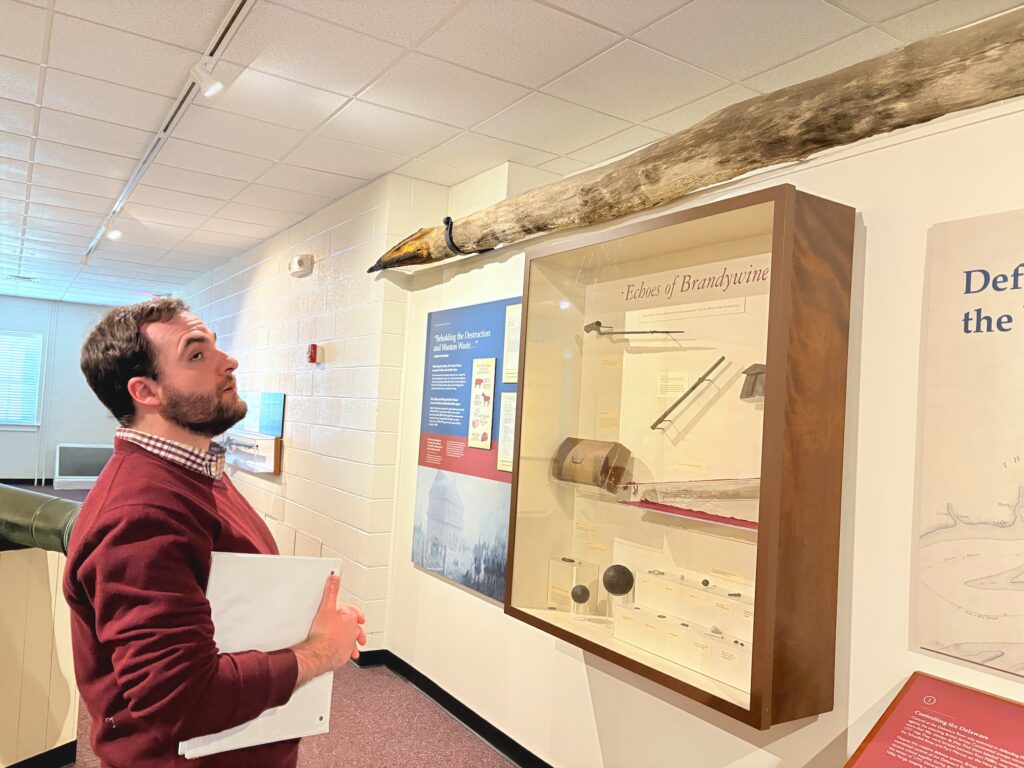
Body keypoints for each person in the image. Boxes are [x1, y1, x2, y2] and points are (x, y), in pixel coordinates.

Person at [64, 297, 365, 767]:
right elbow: (183, 698)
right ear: (146, 391)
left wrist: (305, 615)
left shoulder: (196, 474)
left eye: (215, 346)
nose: (229, 361)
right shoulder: (140, 514)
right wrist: (321, 651)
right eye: (196, 354)